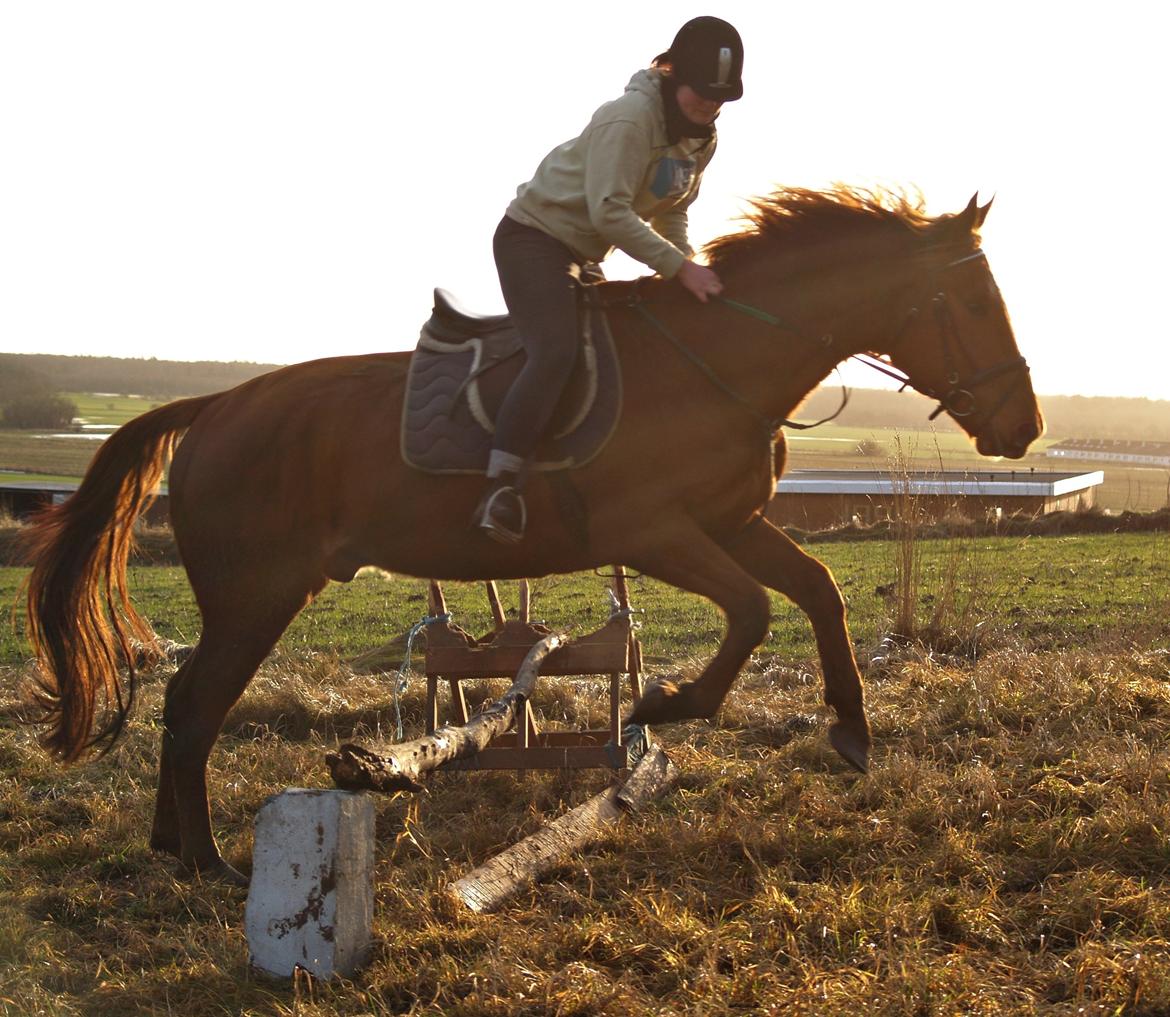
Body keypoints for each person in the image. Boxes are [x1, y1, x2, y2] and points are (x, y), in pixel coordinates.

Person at [476, 16, 745, 543]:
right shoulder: (628, 120)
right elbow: (610, 214)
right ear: (675, 77)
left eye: (721, 97)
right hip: (533, 239)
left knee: (625, 349)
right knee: (556, 352)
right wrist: (679, 269)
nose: (710, 105)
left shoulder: (702, 138)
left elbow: (672, 212)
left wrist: (682, 261)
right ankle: (500, 487)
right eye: (702, 93)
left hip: (581, 253)